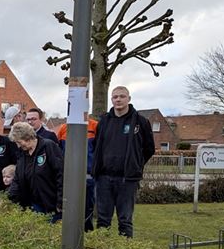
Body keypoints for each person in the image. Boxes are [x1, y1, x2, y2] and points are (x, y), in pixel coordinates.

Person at [92, 85, 155, 237]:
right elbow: (97, 146)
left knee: (125, 220)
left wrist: (136, 165)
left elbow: (149, 149)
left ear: (129, 99)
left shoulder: (140, 122)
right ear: (112, 100)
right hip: (104, 178)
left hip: (127, 179)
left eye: (122, 96)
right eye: (115, 97)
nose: (118, 99)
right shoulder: (104, 121)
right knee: (103, 220)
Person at [8, 122, 64, 223]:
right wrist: (9, 199)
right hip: (34, 205)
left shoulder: (48, 147)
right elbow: (17, 178)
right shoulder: (22, 154)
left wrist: (61, 202)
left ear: (28, 138)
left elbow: (61, 174)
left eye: (19, 142)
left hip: (52, 205)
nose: (18, 145)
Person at [57, 118, 98, 231]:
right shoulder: (63, 128)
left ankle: (88, 233)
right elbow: (60, 153)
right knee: (70, 209)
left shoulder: (94, 126)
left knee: (87, 209)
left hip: (89, 176)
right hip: (69, 178)